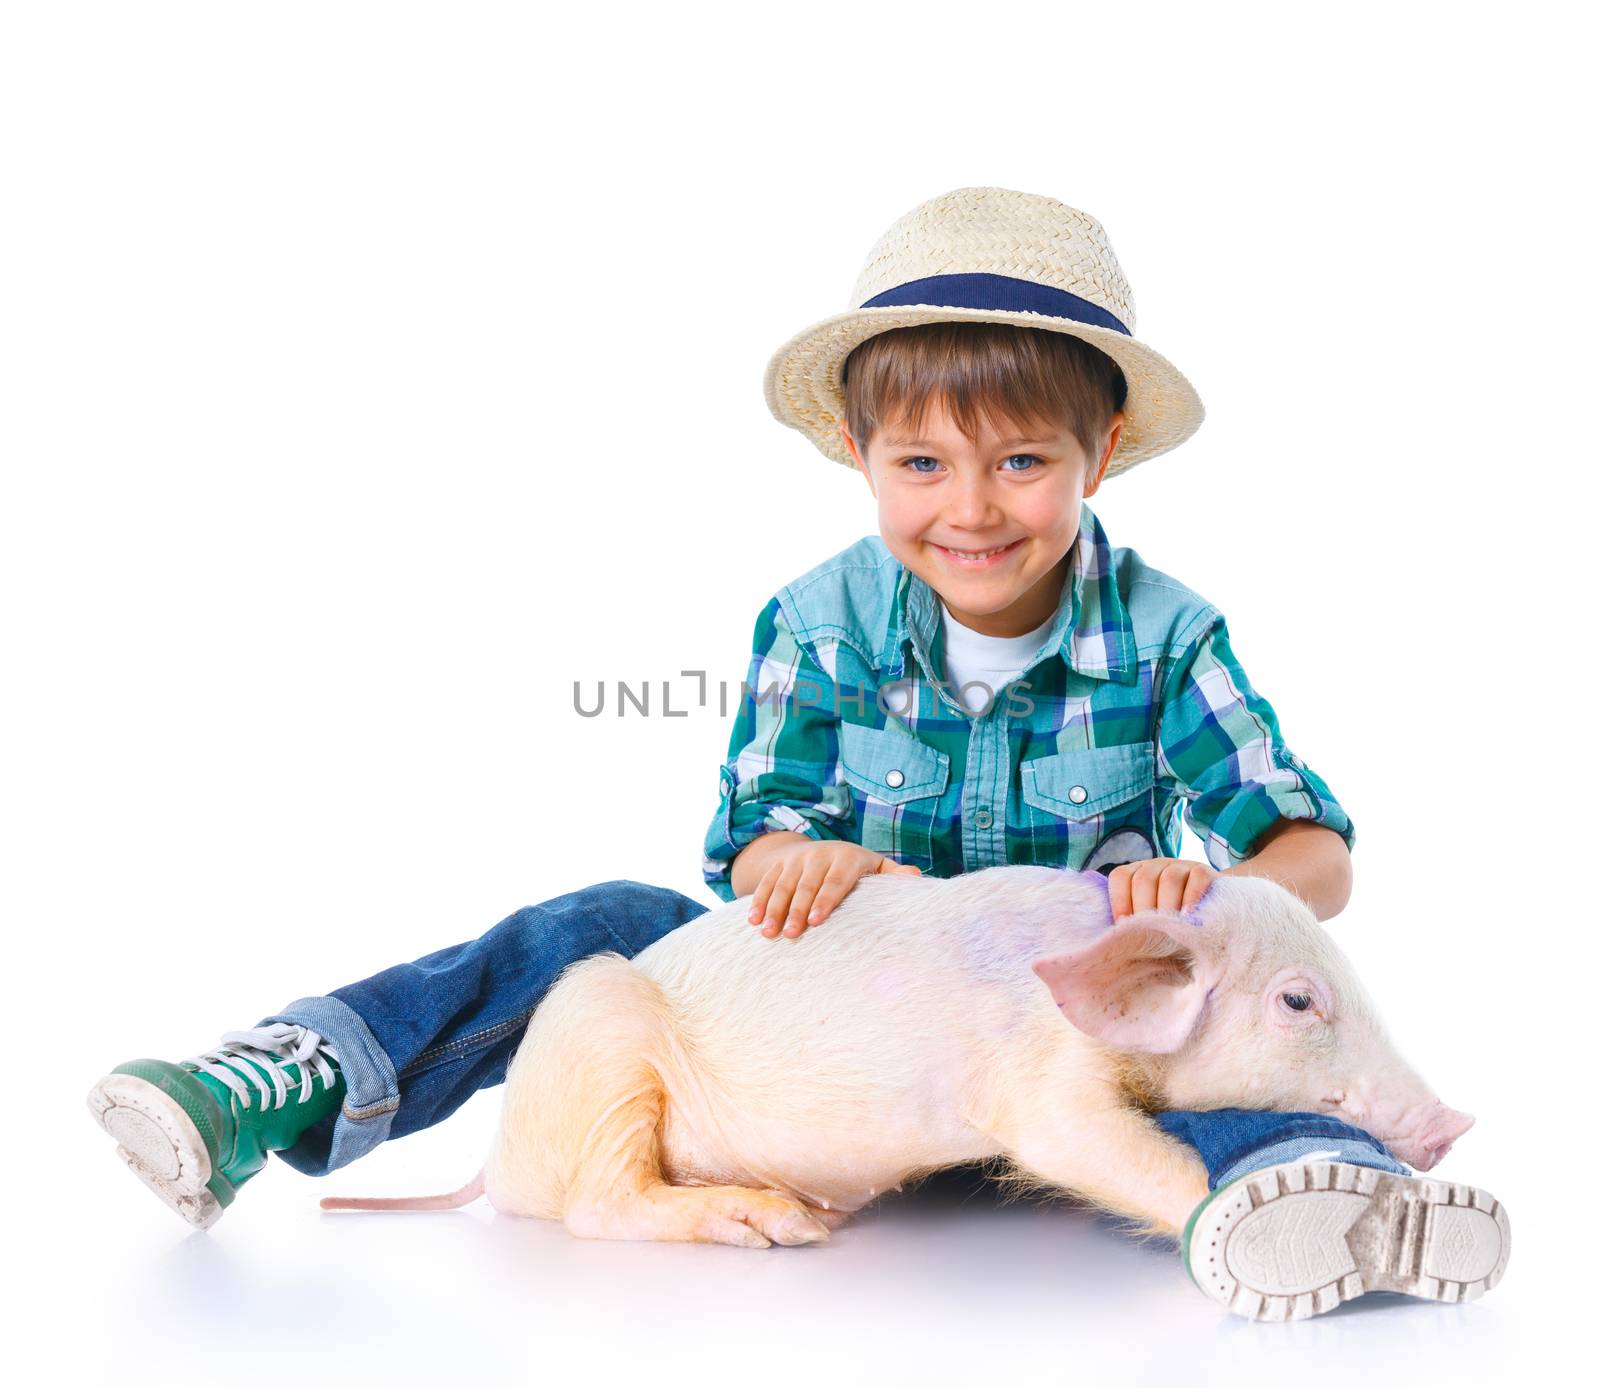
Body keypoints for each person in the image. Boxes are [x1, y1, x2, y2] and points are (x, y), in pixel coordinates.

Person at [87, 187, 1509, 1322]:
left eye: (1021, 462)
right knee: (608, 931)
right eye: (923, 464)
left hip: (1047, 1079)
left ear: (1103, 448)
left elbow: (1306, 850)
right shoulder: (819, 622)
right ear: (856, 450)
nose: (971, 508)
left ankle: (1334, 1198)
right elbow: (753, 839)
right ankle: (286, 1080)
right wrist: (801, 858)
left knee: (1229, 1068)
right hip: (822, 1049)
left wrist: (1214, 906)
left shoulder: (1166, 633)